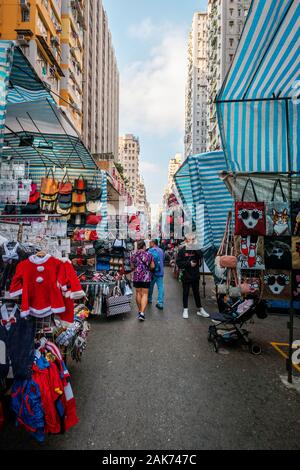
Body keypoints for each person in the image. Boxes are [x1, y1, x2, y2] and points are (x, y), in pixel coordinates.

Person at [176, 236, 210, 319]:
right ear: (186, 240)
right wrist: (189, 264)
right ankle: (185, 309)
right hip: (186, 275)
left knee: (196, 293)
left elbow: (201, 256)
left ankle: (200, 309)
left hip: (195, 275)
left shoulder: (196, 250)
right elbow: (179, 263)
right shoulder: (182, 250)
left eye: (192, 239)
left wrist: (195, 246)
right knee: (185, 292)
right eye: (189, 239)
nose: (191, 240)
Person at [131, 240, 155, 321]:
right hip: (146, 276)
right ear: (144, 246)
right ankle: (142, 313)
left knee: (138, 293)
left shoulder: (134, 254)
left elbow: (132, 266)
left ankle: (139, 311)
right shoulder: (149, 254)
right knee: (145, 294)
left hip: (136, 276)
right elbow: (152, 266)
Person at [148, 239, 165, 310]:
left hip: (152, 272)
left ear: (153, 243)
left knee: (150, 286)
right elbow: (163, 259)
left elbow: (147, 261)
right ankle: (160, 303)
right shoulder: (161, 250)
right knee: (160, 287)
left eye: (150, 243)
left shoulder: (150, 251)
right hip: (160, 271)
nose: (149, 244)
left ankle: (149, 299)